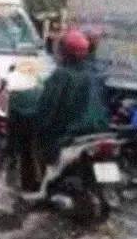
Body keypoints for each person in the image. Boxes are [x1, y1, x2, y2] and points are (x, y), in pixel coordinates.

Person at [32, 27, 109, 171]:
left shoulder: (62, 76)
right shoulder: (95, 73)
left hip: (70, 133)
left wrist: (40, 125)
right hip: (98, 130)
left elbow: (49, 107)